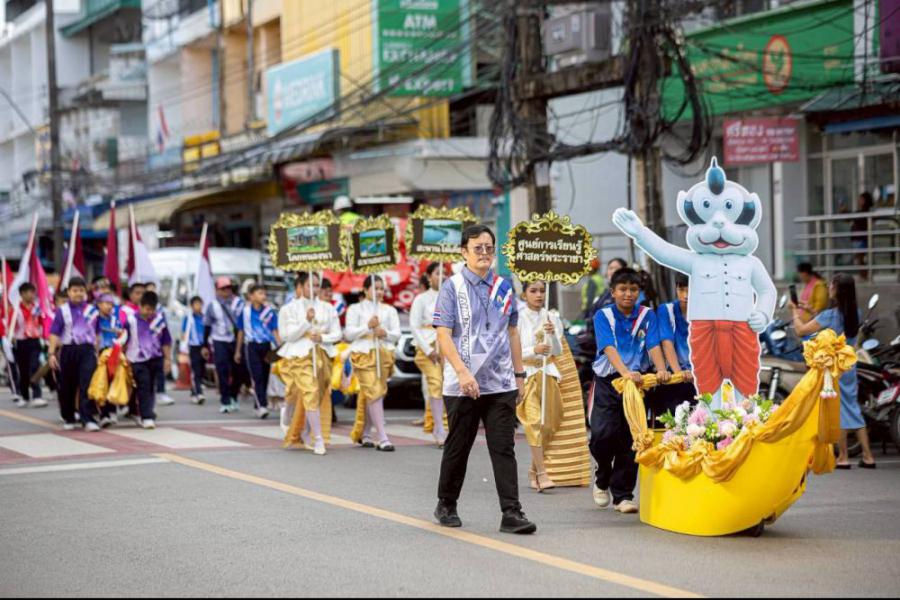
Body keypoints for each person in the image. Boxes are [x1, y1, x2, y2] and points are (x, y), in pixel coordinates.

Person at [433, 224, 535, 535]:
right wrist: (463, 372)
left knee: (503, 447)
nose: (484, 253)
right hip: (462, 384)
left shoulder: (504, 286)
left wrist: (519, 376)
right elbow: (443, 335)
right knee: (459, 445)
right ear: (463, 252)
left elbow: (513, 333)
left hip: (500, 383)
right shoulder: (451, 288)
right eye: (478, 248)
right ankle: (446, 503)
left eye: (489, 248)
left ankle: (511, 512)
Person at [590, 267, 669, 514]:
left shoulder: (647, 315)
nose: (628, 294)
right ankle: (602, 476)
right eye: (623, 289)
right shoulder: (603, 315)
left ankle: (623, 495)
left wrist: (661, 369)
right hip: (609, 381)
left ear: (639, 292)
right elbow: (608, 347)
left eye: (633, 289)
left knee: (632, 437)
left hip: (637, 383)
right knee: (602, 435)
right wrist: (624, 372)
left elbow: (653, 344)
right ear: (612, 292)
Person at [791, 273, 876, 469]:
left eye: (832, 285)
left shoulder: (829, 315)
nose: (829, 287)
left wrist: (795, 312)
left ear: (838, 290)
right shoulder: (855, 313)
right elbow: (828, 320)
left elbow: (801, 330)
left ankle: (843, 457)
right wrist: (811, 310)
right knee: (852, 408)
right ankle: (868, 456)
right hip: (849, 365)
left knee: (839, 411)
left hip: (833, 368)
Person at [278, 273, 342, 456]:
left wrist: (322, 337)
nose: (314, 289)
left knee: (317, 394)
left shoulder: (328, 308)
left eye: (316, 285)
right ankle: (318, 438)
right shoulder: (289, 309)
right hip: (299, 354)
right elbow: (286, 336)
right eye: (310, 285)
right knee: (310, 391)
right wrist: (306, 322)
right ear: (300, 287)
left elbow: (337, 333)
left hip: (323, 353)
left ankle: (305, 432)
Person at [515, 280, 565, 492]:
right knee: (534, 421)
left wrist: (552, 334)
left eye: (542, 291)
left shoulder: (551, 317)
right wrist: (533, 350)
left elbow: (558, 351)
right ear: (524, 294)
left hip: (547, 373)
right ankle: (543, 474)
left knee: (549, 424)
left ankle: (534, 469)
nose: (538, 295)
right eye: (533, 291)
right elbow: (512, 349)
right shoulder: (517, 317)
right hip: (528, 374)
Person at [346, 275, 401, 452]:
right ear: (365, 289)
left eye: (381, 288)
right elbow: (349, 334)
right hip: (363, 354)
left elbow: (397, 334)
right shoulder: (355, 309)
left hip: (383, 353)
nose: (379, 292)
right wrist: (367, 327)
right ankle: (383, 437)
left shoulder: (389, 310)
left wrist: (385, 333)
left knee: (374, 393)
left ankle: (365, 432)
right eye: (375, 288)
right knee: (374, 391)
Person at [48, 277, 100, 431]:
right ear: (69, 292)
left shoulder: (92, 311)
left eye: (81, 290)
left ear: (86, 292)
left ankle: (88, 419)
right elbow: (54, 332)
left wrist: (97, 352)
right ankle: (69, 417)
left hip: (87, 350)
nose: (78, 293)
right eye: (75, 290)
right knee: (67, 385)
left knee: (87, 384)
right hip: (68, 350)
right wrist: (51, 354)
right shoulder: (62, 311)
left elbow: (97, 333)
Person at [123, 291, 172, 430]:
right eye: (147, 309)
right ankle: (146, 417)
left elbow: (166, 341)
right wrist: (123, 357)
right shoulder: (131, 320)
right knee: (143, 385)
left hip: (155, 358)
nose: (149, 312)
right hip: (137, 359)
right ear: (140, 306)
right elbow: (124, 340)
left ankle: (145, 411)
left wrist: (168, 359)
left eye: (152, 309)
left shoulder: (159, 320)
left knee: (151, 386)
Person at [650, 274, 696, 422]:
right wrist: (679, 374)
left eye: (690, 290)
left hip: (699, 377)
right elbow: (666, 342)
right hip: (674, 376)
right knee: (673, 421)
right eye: (681, 290)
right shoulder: (666, 310)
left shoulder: (706, 313)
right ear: (676, 289)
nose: (686, 295)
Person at [410, 262, 447, 446]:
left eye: (444, 273)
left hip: (447, 345)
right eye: (438, 273)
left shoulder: (452, 297)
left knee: (448, 385)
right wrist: (428, 349)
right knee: (436, 383)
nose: (442, 276)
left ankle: (446, 426)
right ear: (428, 276)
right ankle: (438, 427)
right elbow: (414, 326)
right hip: (428, 346)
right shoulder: (421, 299)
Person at [236, 284, 282, 420]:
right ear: (251, 296)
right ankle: (262, 405)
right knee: (257, 377)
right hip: (251, 346)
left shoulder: (269, 312)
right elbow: (240, 331)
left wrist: (281, 346)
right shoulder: (245, 312)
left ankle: (258, 405)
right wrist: (238, 351)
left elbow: (274, 330)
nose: (263, 296)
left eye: (264, 293)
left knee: (265, 376)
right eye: (260, 293)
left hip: (266, 346)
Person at [204, 277, 242, 413]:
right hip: (219, 340)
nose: (226, 291)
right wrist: (204, 345)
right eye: (223, 289)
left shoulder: (238, 303)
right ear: (217, 290)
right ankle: (225, 401)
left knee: (238, 371)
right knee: (222, 370)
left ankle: (234, 396)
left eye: (228, 288)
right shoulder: (212, 305)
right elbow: (207, 325)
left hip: (236, 341)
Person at [11, 283, 46, 408]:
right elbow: (11, 325)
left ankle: (37, 395)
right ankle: (24, 396)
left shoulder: (37, 308)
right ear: (21, 294)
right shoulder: (16, 309)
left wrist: (45, 337)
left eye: (32, 292)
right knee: (23, 371)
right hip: (21, 342)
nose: (30, 295)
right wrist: (9, 339)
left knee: (34, 367)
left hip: (34, 341)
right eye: (27, 292)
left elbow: (43, 323)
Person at [94, 293, 126, 427]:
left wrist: (120, 340)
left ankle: (112, 410)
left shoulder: (115, 320)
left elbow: (122, 335)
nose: (109, 307)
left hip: (113, 353)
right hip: (99, 353)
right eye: (106, 303)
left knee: (114, 381)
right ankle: (103, 413)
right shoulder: (94, 318)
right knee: (101, 383)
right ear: (99, 305)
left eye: (111, 304)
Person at [183, 296, 207, 405]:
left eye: (200, 304)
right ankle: (199, 393)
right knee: (195, 369)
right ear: (192, 306)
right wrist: (184, 346)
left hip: (204, 346)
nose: (198, 306)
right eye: (196, 304)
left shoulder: (204, 318)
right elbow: (184, 332)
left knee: (202, 369)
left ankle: (194, 391)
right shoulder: (188, 318)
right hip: (193, 346)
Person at [851, 192, 873, 279]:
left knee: (860, 258)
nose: (859, 201)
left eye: (861, 199)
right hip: (859, 238)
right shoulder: (862, 212)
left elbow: (855, 218)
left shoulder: (865, 212)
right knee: (859, 258)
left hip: (861, 238)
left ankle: (864, 275)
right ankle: (864, 275)